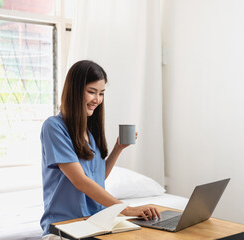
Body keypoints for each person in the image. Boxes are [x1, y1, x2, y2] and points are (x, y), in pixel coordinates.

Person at [40, 60, 160, 239]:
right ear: (75, 90)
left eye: (101, 93)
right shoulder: (54, 127)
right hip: (66, 226)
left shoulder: (88, 131)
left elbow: (97, 177)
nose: (97, 100)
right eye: (91, 92)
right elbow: (80, 181)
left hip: (96, 222)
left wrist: (117, 149)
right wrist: (127, 209)